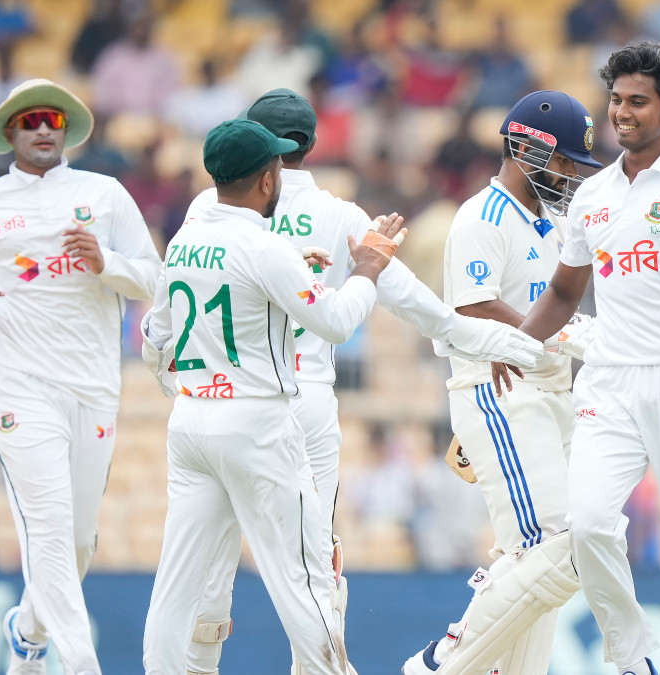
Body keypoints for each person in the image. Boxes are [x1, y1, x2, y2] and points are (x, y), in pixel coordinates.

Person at [174, 89, 545, 675]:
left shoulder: (209, 207)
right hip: (307, 402)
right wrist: (492, 341)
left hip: (225, 399)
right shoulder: (342, 216)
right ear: (311, 145)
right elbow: (419, 307)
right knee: (313, 566)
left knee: (213, 563)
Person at [500, 42, 660, 675]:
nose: (622, 113)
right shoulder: (593, 196)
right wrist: (516, 345)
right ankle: (632, 656)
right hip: (609, 382)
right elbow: (564, 294)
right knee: (587, 525)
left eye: (638, 102)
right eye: (615, 100)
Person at [139, 118, 400, 673]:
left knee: (177, 583)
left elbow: (155, 337)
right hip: (256, 425)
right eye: (278, 165)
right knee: (303, 578)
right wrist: (368, 269)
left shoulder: (185, 240)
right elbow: (335, 321)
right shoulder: (264, 246)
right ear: (266, 178)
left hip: (191, 421)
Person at [0, 78, 160, 674]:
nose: (42, 128)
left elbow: (152, 276)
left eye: (52, 120)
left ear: (65, 131)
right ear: (10, 132)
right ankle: (81, 664)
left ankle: (27, 634)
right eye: (30, 120)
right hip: (16, 383)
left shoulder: (104, 194)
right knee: (52, 534)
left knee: (79, 541)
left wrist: (104, 262)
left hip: (92, 384)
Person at [401, 89, 602, 675]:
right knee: (554, 545)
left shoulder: (554, 221)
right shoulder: (481, 217)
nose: (570, 175)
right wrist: (560, 336)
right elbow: (474, 306)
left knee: (541, 554)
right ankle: (440, 663)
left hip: (550, 392)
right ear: (526, 149)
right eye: (563, 161)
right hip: (503, 391)